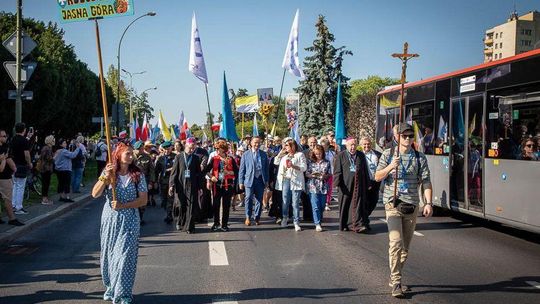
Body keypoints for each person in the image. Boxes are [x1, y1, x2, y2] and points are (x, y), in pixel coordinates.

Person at [375, 123, 433, 298]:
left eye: (410, 136)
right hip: (392, 204)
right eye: (404, 136)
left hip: (412, 205)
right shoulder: (388, 154)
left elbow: (426, 181)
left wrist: (428, 202)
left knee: (405, 248)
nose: (408, 139)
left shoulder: (419, 157)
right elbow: (377, 177)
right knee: (396, 243)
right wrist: (391, 166)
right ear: (396, 137)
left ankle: (395, 277)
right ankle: (396, 281)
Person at [92, 142, 148, 304]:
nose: (131, 157)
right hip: (111, 219)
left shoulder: (137, 174)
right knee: (109, 255)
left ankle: (123, 293)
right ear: (118, 154)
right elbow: (95, 194)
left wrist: (124, 205)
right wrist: (104, 178)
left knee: (125, 257)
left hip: (130, 219)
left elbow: (143, 200)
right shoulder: (109, 172)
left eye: (132, 154)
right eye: (128, 154)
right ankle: (110, 286)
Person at [333, 136, 370, 232]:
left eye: (354, 145)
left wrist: (368, 183)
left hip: (358, 184)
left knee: (358, 205)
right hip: (345, 185)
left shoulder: (361, 155)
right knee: (345, 205)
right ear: (346, 146)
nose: (353, 147)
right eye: (350, 145)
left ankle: (357, 224)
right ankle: (345, 224)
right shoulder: (340, 156)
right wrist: (337, 183)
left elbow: (365, 169)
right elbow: (337, 171)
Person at [169, 137, 202, 233]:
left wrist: (200, 187)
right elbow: (174, 172)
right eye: (191, 147)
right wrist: (171, 185)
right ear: (186, 145)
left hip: (192, 185)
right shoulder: (179, 157)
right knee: (181, 205)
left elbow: (198, 173)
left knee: (191, 206)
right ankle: (180, 222)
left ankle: (190, 227)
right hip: (181, 185)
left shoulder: (195, 158)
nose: (192, 149)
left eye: (194, 147)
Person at [204, 140, 238, 232]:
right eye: (217, 149)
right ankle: (216, 223)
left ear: (224, 150)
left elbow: (237, 172)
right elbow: (206, 170)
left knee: (226, 205)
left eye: (219, 149)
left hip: (228, 185)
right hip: (217, 185)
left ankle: (224, 224)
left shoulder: (230, 159)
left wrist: (229, 172)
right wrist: (211, 177)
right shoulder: (214, 159)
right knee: (216, 205)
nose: (217, 151)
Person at [274, 138, 307, 231]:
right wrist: (280, 153)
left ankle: (296, 222)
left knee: (295, 203)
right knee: (285, 202)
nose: (285, 147)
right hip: (286, 181)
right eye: (285, 146)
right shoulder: (284, 157)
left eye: (287, 145)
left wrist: (293, 166)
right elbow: (275, 162)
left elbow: (304, 168)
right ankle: (285, 218)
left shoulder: (300, 155)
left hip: (296, 181)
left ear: (293, 146)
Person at [238, 136, 269, 226]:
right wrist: (241, 181)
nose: (257, 144)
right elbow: (242, 169)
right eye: (255, 142)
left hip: (260, 180)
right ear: (251, 143)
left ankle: (257, 217)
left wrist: (266, 180)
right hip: (249, 180)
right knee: (248, 198)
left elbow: (266, 169)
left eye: (258, 143)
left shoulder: (263, 154)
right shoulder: (245, 154)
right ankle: (248, 217)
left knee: (259, 199)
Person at [0, 129, 24, 226]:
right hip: (5, 177)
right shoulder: (4, 149)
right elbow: (11, 164)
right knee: (7, 199)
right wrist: (14, 169)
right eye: (4, 136)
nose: (6, 138)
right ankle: (12, 218)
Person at [306, 144, 331, 232]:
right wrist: (311, 175)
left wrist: (325, 176)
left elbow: (329, 174)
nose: (318, 155)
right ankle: (317, 223)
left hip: (323, 186)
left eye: (320, 153)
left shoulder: (327, 162)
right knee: (315, 206)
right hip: (313, 186)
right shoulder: (310, 162)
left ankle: (319, 219)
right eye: (316, 154)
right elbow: (307, 173)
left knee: (322, 206)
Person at [10, 122, 33, 215]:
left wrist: (28, 137)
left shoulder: (13, 139)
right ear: (24, 130)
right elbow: (26, 154)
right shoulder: (24, 141)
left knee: (15, 185)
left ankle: (13, 205)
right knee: (20, 186)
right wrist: (30, 163)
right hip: (22, 165)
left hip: (13, 165)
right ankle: (19, 207)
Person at [134, 141, 155, 225]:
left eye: (143, 148)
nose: (143, 150)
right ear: (136, 149)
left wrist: (151, 182)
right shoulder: (131, 156)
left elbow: (152, 171)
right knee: (133, 200)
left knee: (142, 201)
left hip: (144, 181)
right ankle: (135, 217)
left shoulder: (147, 157)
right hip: (132, 182)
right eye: (141, 149)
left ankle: (140, 217)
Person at [155, 141, 176, 223]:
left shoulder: (175, 157)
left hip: (172, 181)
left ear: (171, 148)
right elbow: (157, 171)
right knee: (164, 199)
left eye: (168, 149)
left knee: (171, 198)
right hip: (163, 181)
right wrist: (155, 182)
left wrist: (171, 169)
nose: (167, 151)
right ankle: (168, 211)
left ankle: (169, 214)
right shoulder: (160, 158)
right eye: (165, 149)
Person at [360, 137, 382, 217]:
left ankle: (365, 216)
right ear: (361, 145)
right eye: (364, 144)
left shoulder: (377, 155)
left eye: (368, 144)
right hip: (363, 182)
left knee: (373, 201)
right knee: (364, 201)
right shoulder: (359, 154)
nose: (367, 146)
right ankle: (364, 219)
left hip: (375, 181)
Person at [38, 135, 55, 205]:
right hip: (46, 168)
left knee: (46, 183)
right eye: (53, 140)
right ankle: (44, 199)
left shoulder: (47, 148)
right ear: (50, 141)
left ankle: (45, 198)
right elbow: (48, 158)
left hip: (46, 168)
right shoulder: (47, 148)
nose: (54, 141)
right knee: (45, 184)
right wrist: (54, 157)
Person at [320, 138, 336, 211]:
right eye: (322, 146)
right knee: (322, 188)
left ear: (328, 146)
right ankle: (322, 202)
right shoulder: (319, 153)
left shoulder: (332, 153)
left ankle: (327, 203)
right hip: (322, 174)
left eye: (325, 146)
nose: (323, 147)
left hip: (330, 173)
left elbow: (334, 163)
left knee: (329, 189)